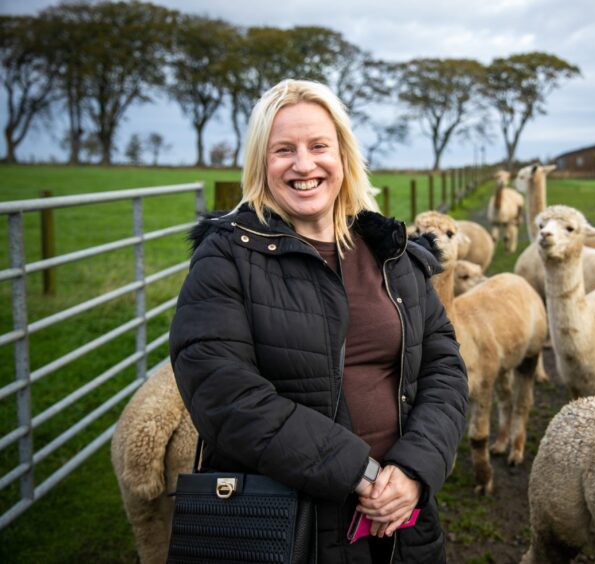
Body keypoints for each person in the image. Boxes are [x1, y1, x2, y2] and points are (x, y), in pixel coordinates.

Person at [169, 78, 468, 563]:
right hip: (283, 529)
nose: (304, 164)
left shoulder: (390, 255)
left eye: (318, 146)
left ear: (343, 157)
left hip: (401, 524)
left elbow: (444, 368)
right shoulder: (226, 257)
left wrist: (414, 470)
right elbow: (222, 393)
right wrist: (361, 474)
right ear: (261, 164)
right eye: (283, 149)